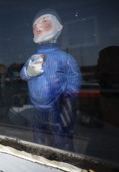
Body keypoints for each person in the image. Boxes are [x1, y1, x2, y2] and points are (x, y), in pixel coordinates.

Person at [20, 9, 81, 151]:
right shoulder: (33, 58)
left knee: (61, 141)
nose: (38, 27)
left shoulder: (65, 58)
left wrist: (67, 99)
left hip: (58, 108)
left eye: (44, 20)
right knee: (39, 139)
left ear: (58, 26)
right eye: (34, 25)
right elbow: (23, 75)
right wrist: (28, 72)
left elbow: (74, 80)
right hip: (36, 108)